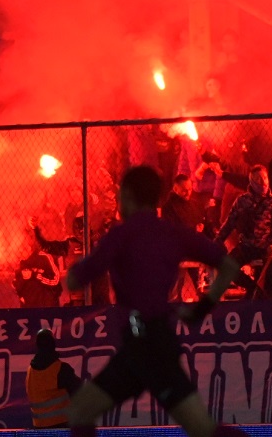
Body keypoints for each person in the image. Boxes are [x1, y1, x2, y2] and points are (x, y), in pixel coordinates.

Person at [65, 166, 245, 437]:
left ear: (127, 196)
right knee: (202, 429)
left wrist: (76, 266)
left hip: (142, 344)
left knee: (81, 412)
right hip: (157, 342)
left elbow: (74, 280)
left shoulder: (121, 235)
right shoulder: (172, 232)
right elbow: (229, 266)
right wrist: (202, 308)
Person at [215, 165, 272, 299]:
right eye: (258, 179)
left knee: (270, 284)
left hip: (267, 249)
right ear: (251, 182)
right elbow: (229, 223)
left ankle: (257, 294)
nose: (263, 182)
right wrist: (216, 242)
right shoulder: (242, 201)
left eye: (265, 178)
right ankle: (252, 288)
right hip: (247, 246)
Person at [26, 328, 81, 428]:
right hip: (62, 426)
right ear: (53, 344)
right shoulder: (61, 369)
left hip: (39, 427)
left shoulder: (30, 370)